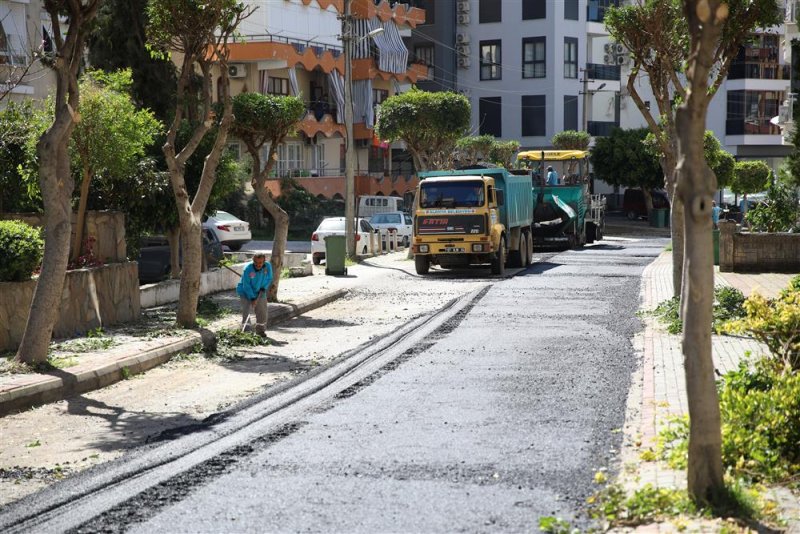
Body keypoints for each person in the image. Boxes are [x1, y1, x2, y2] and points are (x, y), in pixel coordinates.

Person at [237, 253, 273, 337]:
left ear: (264, 261)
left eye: (260, 263)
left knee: (262, 311)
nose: (258, 265)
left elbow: (269, 278)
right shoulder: (248, 269)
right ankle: (247, 332)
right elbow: (246, 285)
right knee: (246, 311)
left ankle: (260, 331)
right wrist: (252, 298)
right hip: (245, 291)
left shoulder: (267, 266)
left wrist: (263, 288)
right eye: (256, 263)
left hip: (260, 290)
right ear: (253, 261)